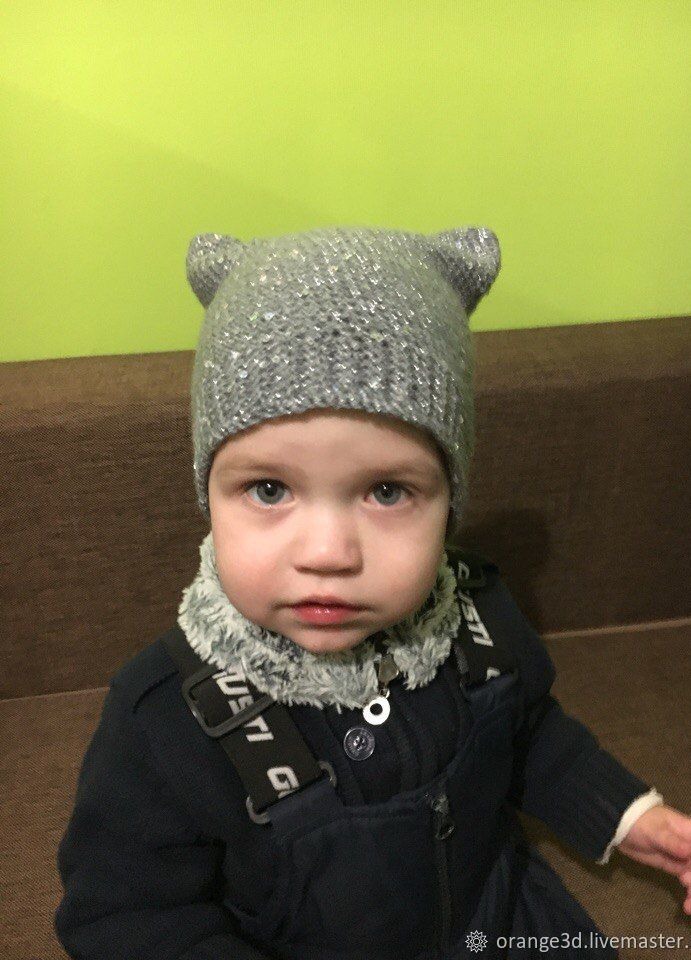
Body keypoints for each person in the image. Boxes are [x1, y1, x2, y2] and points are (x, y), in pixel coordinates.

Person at [54, 226, 691, 960]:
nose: (328, 554)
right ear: (208, 498)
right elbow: (127, 918)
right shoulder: (162, 718)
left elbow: (528, 738)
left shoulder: (478, 619)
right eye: (269, 489)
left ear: (449, 505)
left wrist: (633, 819)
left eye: (387, 491)